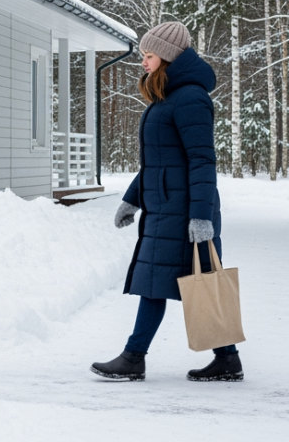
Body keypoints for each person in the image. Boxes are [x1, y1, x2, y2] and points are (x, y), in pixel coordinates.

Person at [90, 21, 244, 382]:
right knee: (168, 280)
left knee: (172, 282)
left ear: (168, 56)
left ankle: (134, 356)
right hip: (165, 208)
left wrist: (201, 216)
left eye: (149, 55)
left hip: (185, 211)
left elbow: (202, 160)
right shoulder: (168, 96)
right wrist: (132, 199)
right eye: (143, 55)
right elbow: (159, 161)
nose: (143, 61)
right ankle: (227, 359)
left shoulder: (190, 97)